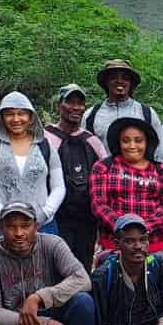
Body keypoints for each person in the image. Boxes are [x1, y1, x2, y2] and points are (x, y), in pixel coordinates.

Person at [0, 91, 64, 241]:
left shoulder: (45, 145)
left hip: (43, 224)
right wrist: (2, 211)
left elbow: (59, 186)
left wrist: (45, 212)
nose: (16, 119)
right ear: (2, 117)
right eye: (9, 114)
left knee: (43, 263)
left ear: (30, 116)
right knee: (6, 264)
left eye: (21, 113)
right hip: (3, 224)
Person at [89, 117, 163, 259]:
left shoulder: (161, 170)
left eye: (138, 140)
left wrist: (142, 227)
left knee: (152, 280)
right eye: (126, 140)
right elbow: (98, 204)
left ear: (147, 142)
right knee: (114, 280)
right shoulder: (104, 167)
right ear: (118, 142)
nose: (132, 145)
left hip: (153, 243)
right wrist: (123, 226)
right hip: (115, 243)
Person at [44, 83, 108, 272]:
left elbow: (105, 177)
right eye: (70, 102)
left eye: (80, 103)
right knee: (55, 266)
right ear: (59, 106)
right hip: (55, 217)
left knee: (82, 266)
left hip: (86, 219)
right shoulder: (46, 138)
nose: (76, 107)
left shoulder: (92, 141)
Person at [83, 58, 163, 145]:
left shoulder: (147, 113)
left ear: (131, 83)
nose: (119, 81)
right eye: (113, 77)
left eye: (125, 78)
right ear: (106, 82)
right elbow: (84, 149)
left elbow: (159, 149)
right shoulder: (91, 116)